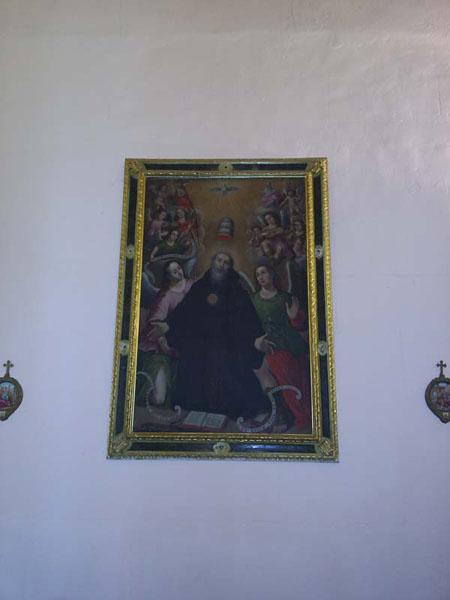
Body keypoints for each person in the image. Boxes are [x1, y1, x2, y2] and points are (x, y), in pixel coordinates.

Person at [166, 252, 269, 420]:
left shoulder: (237, 289)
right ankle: (195, 410)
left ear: (230, 267)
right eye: (219, 260)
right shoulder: (200, 286)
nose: (222, 264)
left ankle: (231, 412)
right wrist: (168, 327)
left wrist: (256, 338)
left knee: (232, 361)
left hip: (229, 341)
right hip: (202, 340)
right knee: (193, 356)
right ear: (213, 263)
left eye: (226, 262)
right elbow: (184, 311)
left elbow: (249, 318)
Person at [252, 263, 311, 431]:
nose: (261, 277)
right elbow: (251, 325)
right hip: (271, 347)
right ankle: (294, 417)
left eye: (264, 272)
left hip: (291, 345)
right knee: (282, 381)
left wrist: (294, 317)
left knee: (299, 382)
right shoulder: (255, 300)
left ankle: (305, 418)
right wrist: (257, 341)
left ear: (272, 274)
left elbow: (301, 325)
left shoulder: (285, 297)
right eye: (258, 274)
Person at [137, 261, 194, 408]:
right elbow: (156, 327)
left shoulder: (193, 285)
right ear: (168, 276)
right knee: (159, 397)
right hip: (162, 350)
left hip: (191, 344)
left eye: (179, 268)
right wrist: (167, 348)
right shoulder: (166, 297)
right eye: (174, 271)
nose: (179, 272)